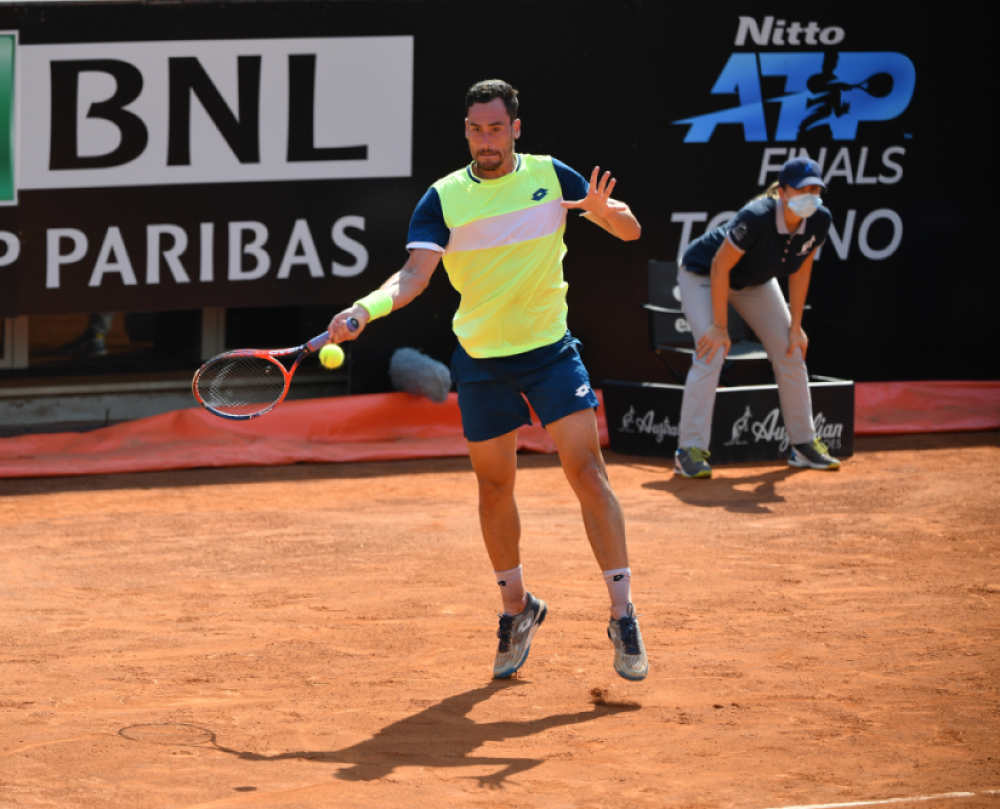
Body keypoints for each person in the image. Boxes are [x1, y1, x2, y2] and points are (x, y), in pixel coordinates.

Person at [327, 79, 648, 681]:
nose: (485, 141)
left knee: (587, 472)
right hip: (481, 360)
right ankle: (517, 608)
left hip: (550, 350)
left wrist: (607, 213)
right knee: (495, 487)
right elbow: (413, 276)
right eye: (475, 130)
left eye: (496, 128)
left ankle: (622, 613)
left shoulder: (554, 176)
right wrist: (364, 310)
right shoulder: (444, 197)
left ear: (516, 128)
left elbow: (628, 230)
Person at [673, 156, 841, 479]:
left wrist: (795, 327)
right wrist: (720, 328)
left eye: (816, 189)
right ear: (782, 192)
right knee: (712, 350)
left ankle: (803, 444)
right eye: (803, 188)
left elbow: (801, 271)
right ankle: (688, 451)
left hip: (754, 282)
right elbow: (720, 267)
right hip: (703, 274)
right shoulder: (755, 217)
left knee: (791, 349)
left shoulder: (820, 219)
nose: (811, 195)